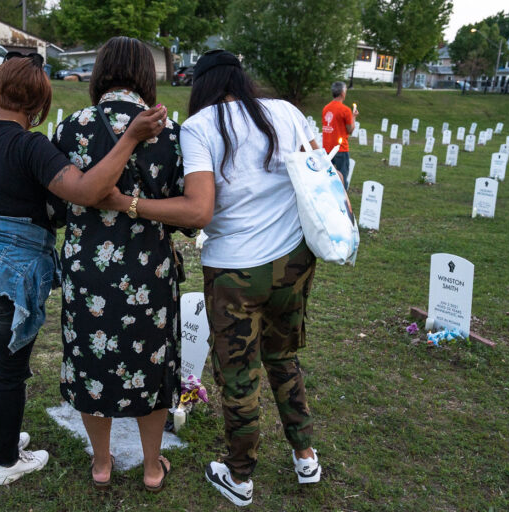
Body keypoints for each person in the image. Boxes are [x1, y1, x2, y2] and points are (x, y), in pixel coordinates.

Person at [0, 54, 167, 486]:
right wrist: (130, 138)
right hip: (7, 273)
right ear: (41, 104)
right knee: (10, 369)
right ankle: (8, 462)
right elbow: (85, 191)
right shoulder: (31, 145)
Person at [52, 36, 208, 493]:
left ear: (100, 73)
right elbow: (186, 216)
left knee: (89, 362)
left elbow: (57, 208)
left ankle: (101, 463)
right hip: (149, 273)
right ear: (147, 75)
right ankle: (151, 467)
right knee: (152, 367)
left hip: (87, 272)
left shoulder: (69, 129)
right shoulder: (174, 133)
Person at [180, 50, 322, 507]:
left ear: (200, 86)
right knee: (283, 357)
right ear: (241, 79)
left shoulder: (199, 127)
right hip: (293, 261)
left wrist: (134, 205)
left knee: (239, 376)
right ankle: (305, 456)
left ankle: (239, 477)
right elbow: (320, 174)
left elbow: (199, 209)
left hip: (235, 270)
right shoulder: (285, 112)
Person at [321, 81, 356, 188]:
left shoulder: (326, 108)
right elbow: (350, 130)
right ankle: (342, 201)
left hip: (327, 148)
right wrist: (353, 117)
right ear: (342, 93)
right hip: (341, 149)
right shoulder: (345, 110)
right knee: (342, 178)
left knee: (327, 177)